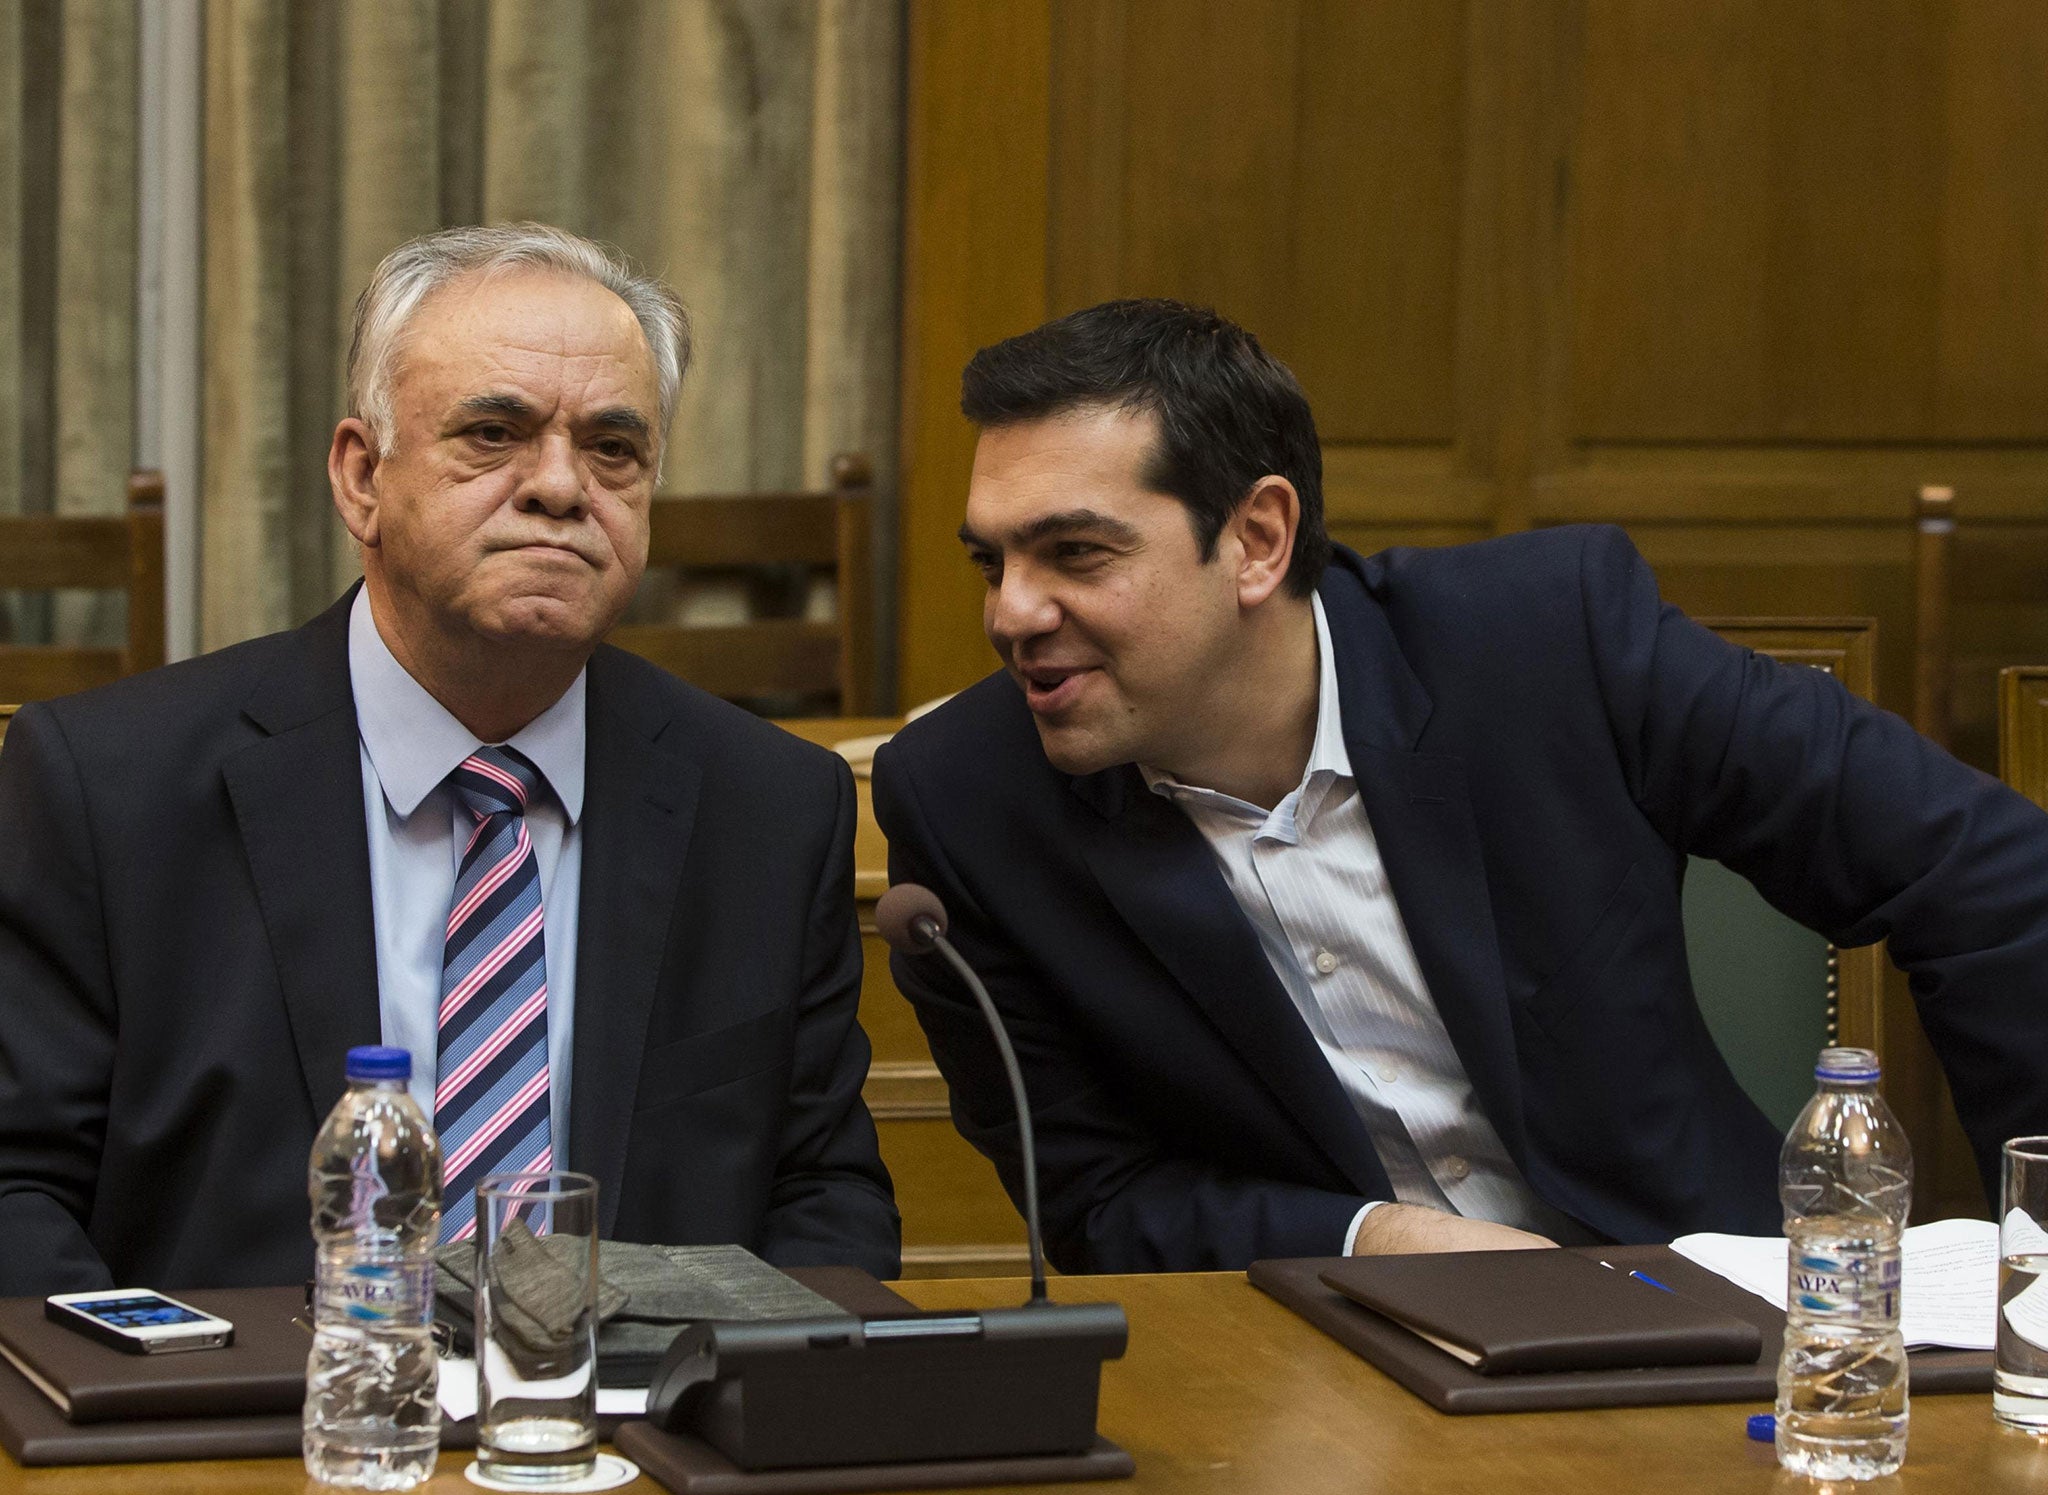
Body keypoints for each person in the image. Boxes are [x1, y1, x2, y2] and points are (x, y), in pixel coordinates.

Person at [872, 297, 2048, 1274]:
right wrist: (1371, 1238)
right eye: (992, 560)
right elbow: (1096, 1197)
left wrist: (2035, 1265)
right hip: (1313, 1381)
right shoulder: (968, 799)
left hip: (1706, 1325)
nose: (1010, 613)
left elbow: (1981, 872)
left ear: (1257, 540)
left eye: (1074, 554)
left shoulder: (1545, 641)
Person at [0, 224, 898, 1296]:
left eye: (614, 449)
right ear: (360, 478)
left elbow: (822, 1194)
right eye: (493, 432)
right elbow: (18, 1189)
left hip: (635, 1440)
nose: (561, 487)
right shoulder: (109, 786)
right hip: (236, 1427)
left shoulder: (766, 807)